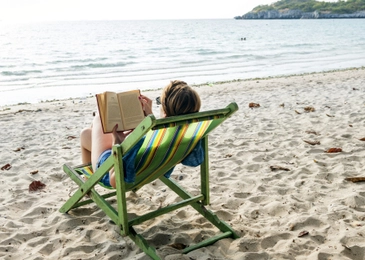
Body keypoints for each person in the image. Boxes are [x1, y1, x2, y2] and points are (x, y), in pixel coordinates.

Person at [80, 80, 202, 188]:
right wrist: (150, 119)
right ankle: (87, 183)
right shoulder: (190, 136)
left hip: (109, 169)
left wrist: (117, 143)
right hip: (148, 172)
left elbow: (115, 181)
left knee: (96, 121)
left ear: (164, 111)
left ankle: (87, 184)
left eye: (160, 102)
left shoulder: (145, 141)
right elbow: (195, 160)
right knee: (87, 133)